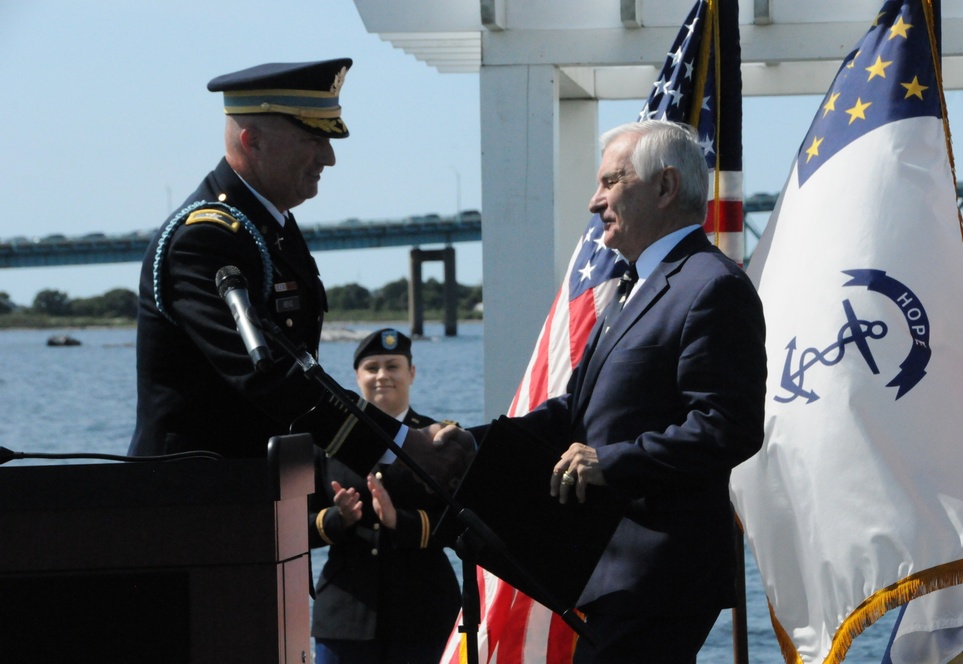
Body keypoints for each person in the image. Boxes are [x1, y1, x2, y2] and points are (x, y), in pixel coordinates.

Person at [440, 120, 767, 663]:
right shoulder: (633, 289)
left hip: (659, 575)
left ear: (664, 188)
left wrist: (610, 464)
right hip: (606, 572)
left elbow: (727, 426)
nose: (594, 202)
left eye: (611, 182)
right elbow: (576, 411)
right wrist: (470, 444)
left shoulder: (712, 286)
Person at [128, 59, 471, 484]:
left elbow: (303, 369)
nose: (328, 157)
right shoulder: (205, 240)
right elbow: (270, 375)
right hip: (193, 498)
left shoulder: (272, 226)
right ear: (253, 141)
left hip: (257, 489)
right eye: (312, 138)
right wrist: (397, 444)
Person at [308, 329, 461, 664]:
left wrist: (399, 522)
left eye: (392, 366)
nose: (382, 376)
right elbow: (293, 527)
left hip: (423, 616)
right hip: (346, 617)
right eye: (372, 367)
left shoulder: (440, 439)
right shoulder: (325, 442)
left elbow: (462, 525)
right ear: (357, 377)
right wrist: (338, 519)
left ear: (412, 373)